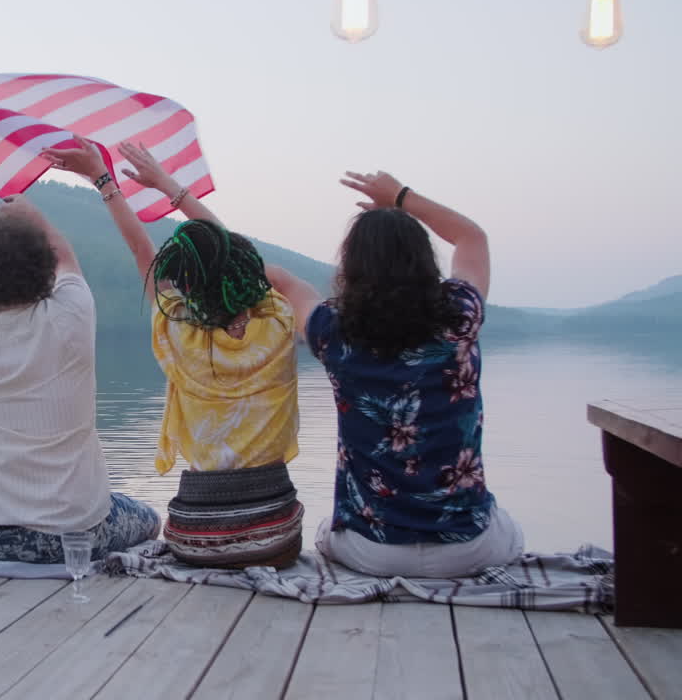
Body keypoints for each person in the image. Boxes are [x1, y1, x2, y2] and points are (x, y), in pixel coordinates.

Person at [44, 138, 320, 569]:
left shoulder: (177, 332)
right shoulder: (280, 323)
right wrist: (172, 189)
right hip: (275, 538)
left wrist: (103, 181)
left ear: (186, 289)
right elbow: (246, 262)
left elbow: (142, 252)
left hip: (194, 538)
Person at [303, 171, 524, 577]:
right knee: (509, 526)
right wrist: (401, 196)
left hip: (371, 550)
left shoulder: (330, 329)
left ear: (352, 266)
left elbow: (293, 291)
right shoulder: (460, 314)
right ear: (424, 260)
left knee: (323, 532)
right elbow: (472, 237)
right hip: (469, 548)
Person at [0, 151, 160, 564]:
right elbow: (66, 257)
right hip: (75, 533)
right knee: (148, 519)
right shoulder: (70, 318)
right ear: (42, 267)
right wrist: (36, 217)